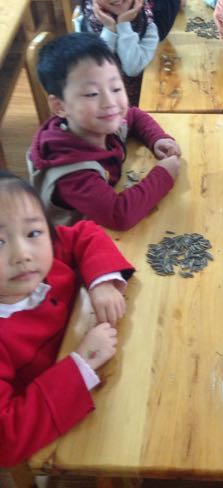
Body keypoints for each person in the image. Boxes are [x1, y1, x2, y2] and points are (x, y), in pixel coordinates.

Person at [0, 171, 135, 466]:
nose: (22, 254)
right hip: (63, 422)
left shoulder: (43, 253)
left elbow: (85, 233)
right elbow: (6, 438)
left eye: (33, 233)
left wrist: (101, 282)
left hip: (107, 370)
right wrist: (81, 362)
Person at [27, 32, 181, 230]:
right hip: (75, 244)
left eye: (115, 88)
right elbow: (119, 215)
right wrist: (164, 174)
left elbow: (134, 115)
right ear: (60, 106)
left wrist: (157, 139)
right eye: (92, 94)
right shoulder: (72, 171)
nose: (109, 102)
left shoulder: (96, 125)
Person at [74, 0, 159, 106]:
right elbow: (95, 70)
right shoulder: (84, 26)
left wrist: (123, 25)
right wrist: (109, 29)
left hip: (141, 102)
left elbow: (132, 68)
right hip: (98, 105)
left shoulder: (146, 23)